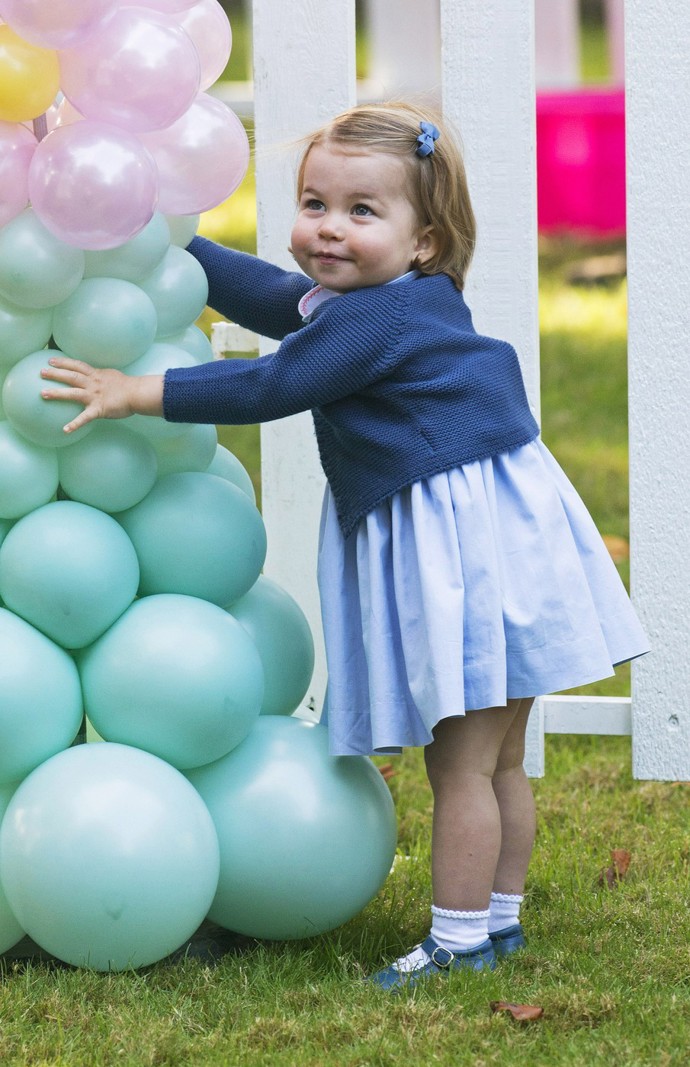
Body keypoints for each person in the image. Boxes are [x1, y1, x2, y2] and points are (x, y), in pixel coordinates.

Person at [41, 101, 649, 991]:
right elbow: (269, 296)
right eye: (314, 202)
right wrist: (164, 238)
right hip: (502, 540)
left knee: (462, 762)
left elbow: (273, 381)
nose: (328, 228)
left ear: (425, 241)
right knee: (499, 755)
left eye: (362, 212)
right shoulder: (395, 299)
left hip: (467, 552)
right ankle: (501, 915)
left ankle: (459, 937)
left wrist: (138, 389)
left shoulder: (373, 323)